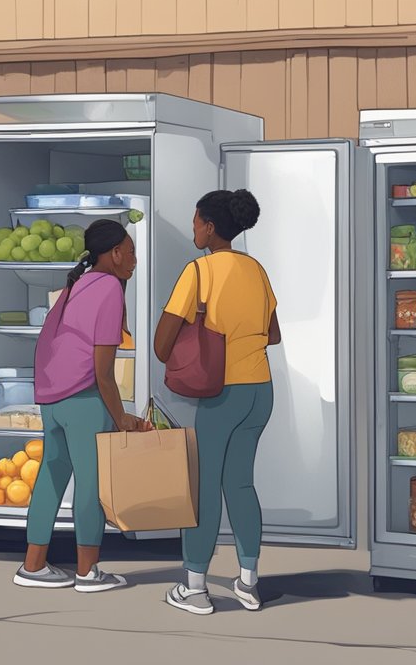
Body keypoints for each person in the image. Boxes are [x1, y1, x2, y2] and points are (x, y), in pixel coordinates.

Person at [154, 189, 281, 616]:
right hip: (259, 390)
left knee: (203, 487)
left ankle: (194, 588)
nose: (192, 228)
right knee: (241, 484)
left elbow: (160, 344)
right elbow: (274, 333)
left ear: (209, 227)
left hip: (220, 392)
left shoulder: (199, 272)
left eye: (195, 221)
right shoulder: (256, 270)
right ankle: (248, 582)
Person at [14, 219, 150, 593]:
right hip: (84, 397)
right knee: (91, 484)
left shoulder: (80, 282)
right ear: (116, 253)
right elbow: (103, 370)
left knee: (51, 475)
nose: (135, 260)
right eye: (132, 251)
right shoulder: (109, 288)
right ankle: (88, 572)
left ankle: (33, 565)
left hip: (52, 396)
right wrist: (121, 417)